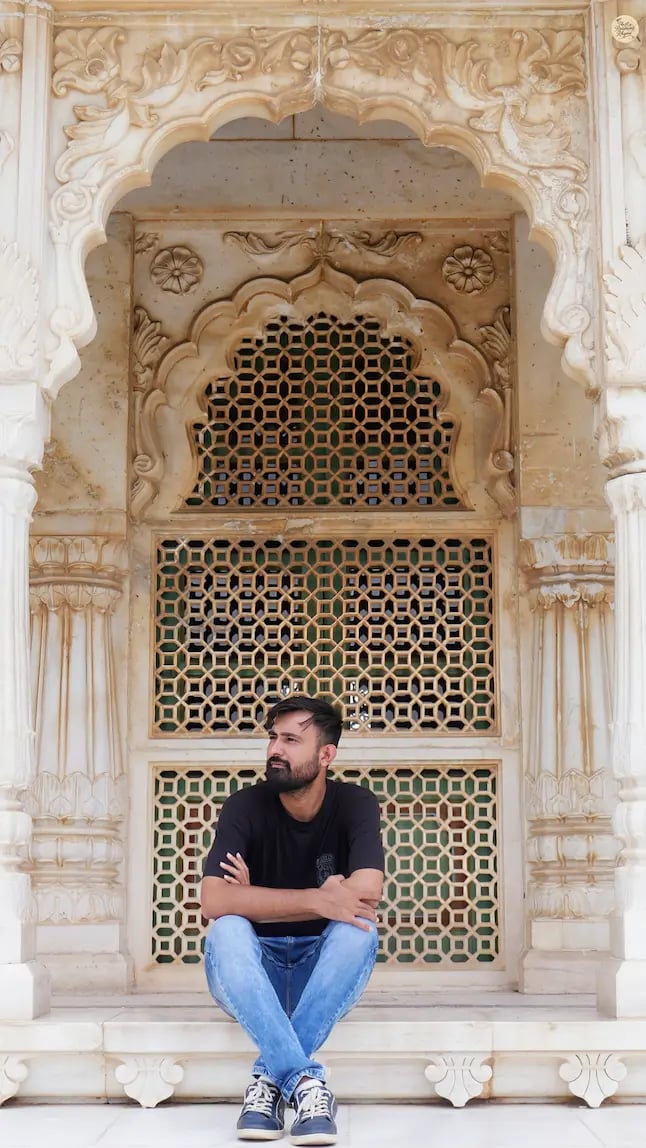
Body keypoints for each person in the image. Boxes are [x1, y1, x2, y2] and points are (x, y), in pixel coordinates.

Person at [201, 694, 384, 1146]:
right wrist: (319, 901)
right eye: (272, 738)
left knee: (359, 930)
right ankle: (306, 1085)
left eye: (290, 740)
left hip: (320, 977)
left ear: (326, 754)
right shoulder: (244, 806)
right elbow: (214, 900)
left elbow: (366, 891)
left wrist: (252, 897)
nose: (275, 750)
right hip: (251, 973)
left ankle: (269, 1081)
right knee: (228, 928)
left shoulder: (355, 804)